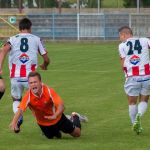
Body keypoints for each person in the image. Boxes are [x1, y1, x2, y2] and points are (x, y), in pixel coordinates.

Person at [0, 18, 50, 132]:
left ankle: (19, 118)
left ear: (19, 28)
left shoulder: (12, 39)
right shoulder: (37, 39)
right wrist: (45, 65)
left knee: (16, 99)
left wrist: (0, 67)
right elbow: (46, 59)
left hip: (15, 77)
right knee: (38, 101)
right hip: (31, 78)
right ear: (30, 28)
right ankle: (47, 125)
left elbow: (3, 50)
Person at [9, 71, 86, 139]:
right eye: (31, 83)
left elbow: (61, 105)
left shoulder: (49, 91)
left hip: (58, 119)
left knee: (77, 134)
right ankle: (56, 131)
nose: (33, 85)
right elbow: (20, 110)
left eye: (35, 82)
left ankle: (75, 116)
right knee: (54, 137)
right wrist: (14, 122)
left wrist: (55, 115)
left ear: (40, 82)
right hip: (43, 123)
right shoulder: (28, 96)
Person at [118, 26, 150, 134]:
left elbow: (123, 63)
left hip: (132, 77)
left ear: (124, 35)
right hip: (147, 76)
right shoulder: (145, 40)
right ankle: (139, 116)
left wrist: (126, 74)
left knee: (132, 102)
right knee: (144, 99)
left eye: (120, 36)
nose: (120, 39)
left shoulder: (122, 46)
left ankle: (134, 124)